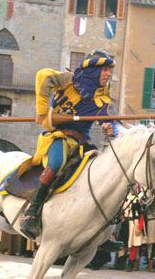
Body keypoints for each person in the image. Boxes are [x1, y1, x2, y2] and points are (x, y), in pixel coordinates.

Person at [21, 50, 116, 239]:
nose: (108, 74)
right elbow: (43, 76)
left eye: (109, 70)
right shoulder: (69, 80)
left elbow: (111, 119)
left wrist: (110, 126)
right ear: (94, 70)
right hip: (58, 136)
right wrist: (42, 111)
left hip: (82, 143)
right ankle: (32, 211)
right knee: (56, 163)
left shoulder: (102, 97)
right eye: (105, 69)